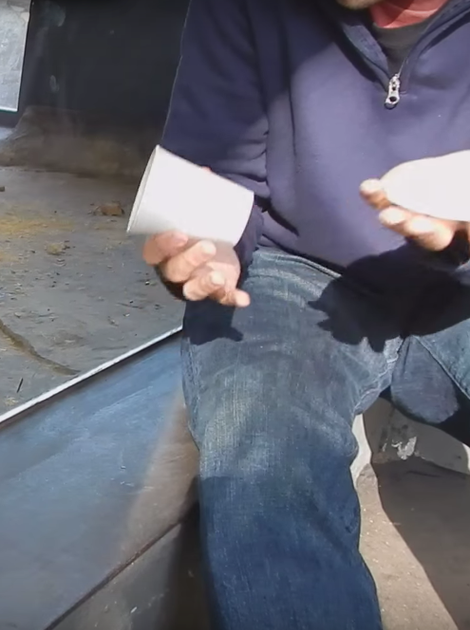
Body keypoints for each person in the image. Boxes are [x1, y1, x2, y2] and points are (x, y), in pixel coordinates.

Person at [142, 0, 470, 628]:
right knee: (261, 446)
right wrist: (208, 245)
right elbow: (217, 169)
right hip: (300, 271)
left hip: (460, 288)